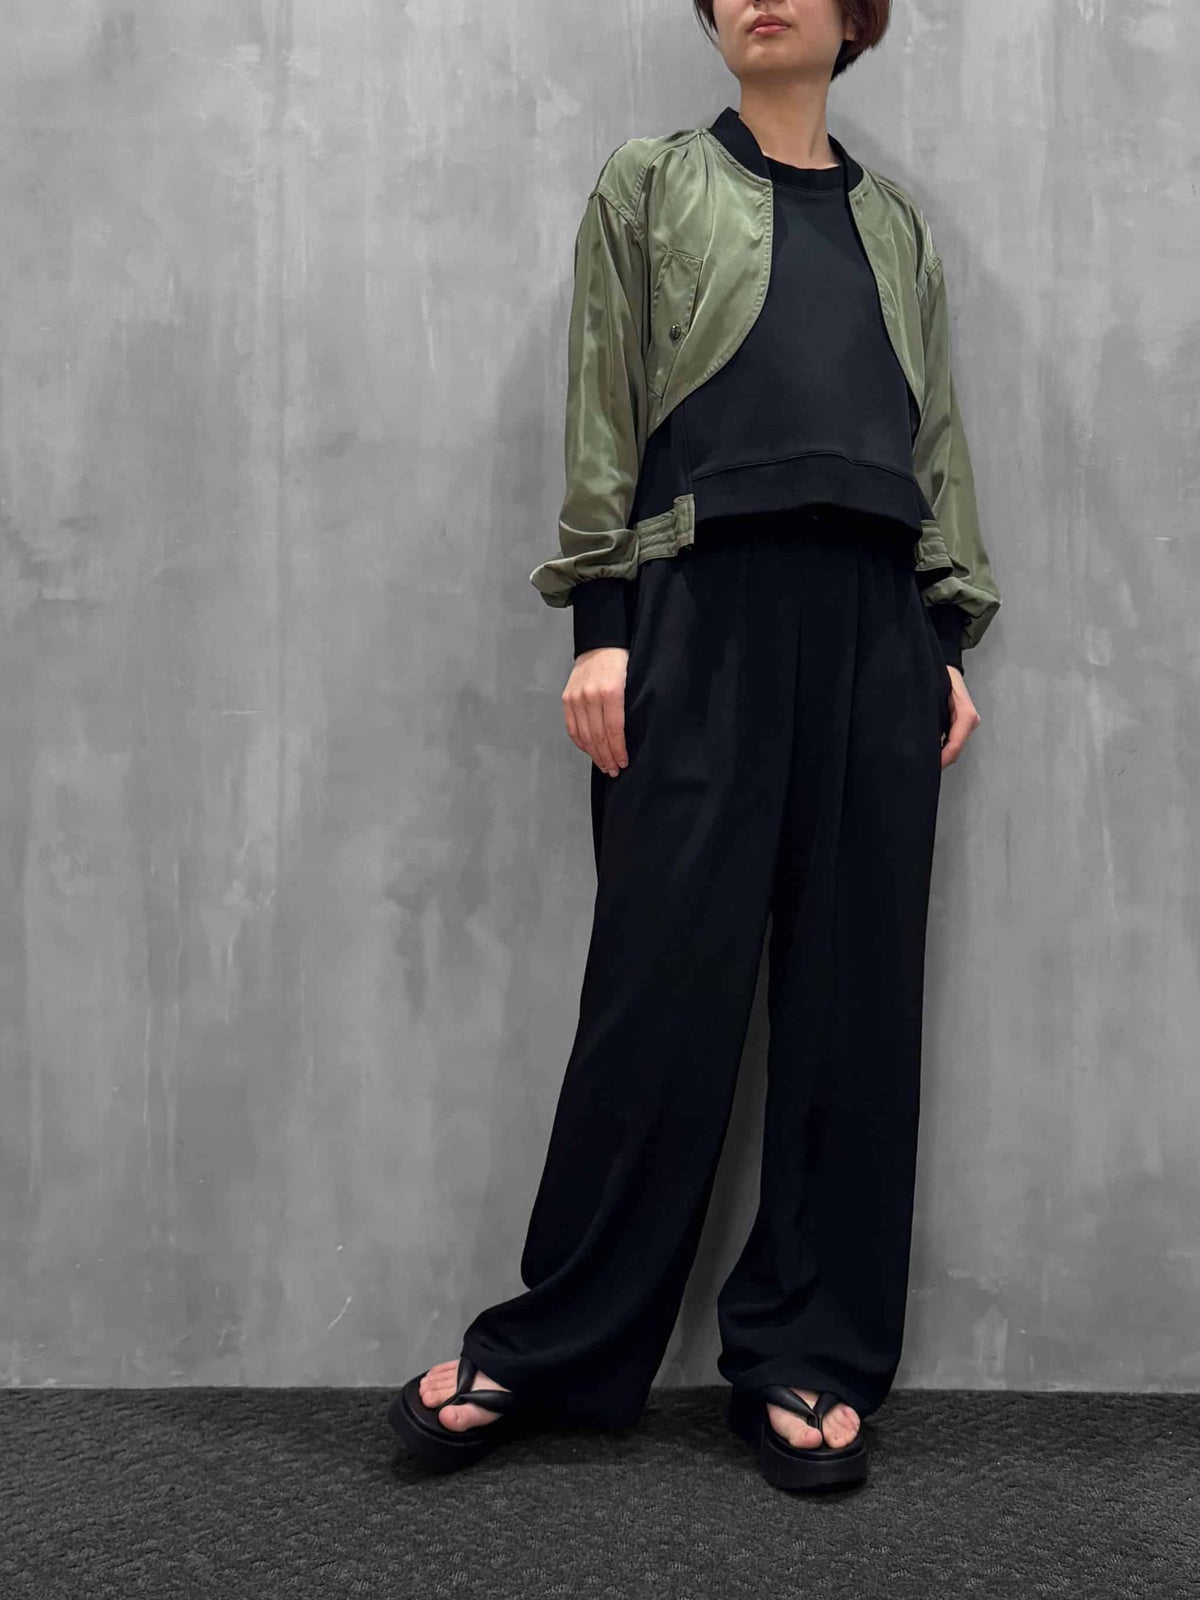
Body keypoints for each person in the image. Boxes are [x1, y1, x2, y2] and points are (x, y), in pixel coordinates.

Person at [390, 0, 1000, 1493]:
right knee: (658, 986)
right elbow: (604, 403)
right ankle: (559, 1343)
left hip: (875, 626)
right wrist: (601, 623)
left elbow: (937, 441)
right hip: (699, 609)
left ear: (854, 18)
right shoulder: (651, 183)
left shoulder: (901, 231)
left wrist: (944, 634)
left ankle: (808, 1352)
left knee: (855, 1004)